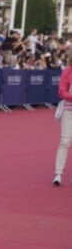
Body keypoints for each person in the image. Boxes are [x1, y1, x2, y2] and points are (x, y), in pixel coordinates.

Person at [53, 51, 72, 186]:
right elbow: (61, 91)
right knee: (65, 141)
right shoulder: (67, 71)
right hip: (69, 111)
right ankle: (58, 174)